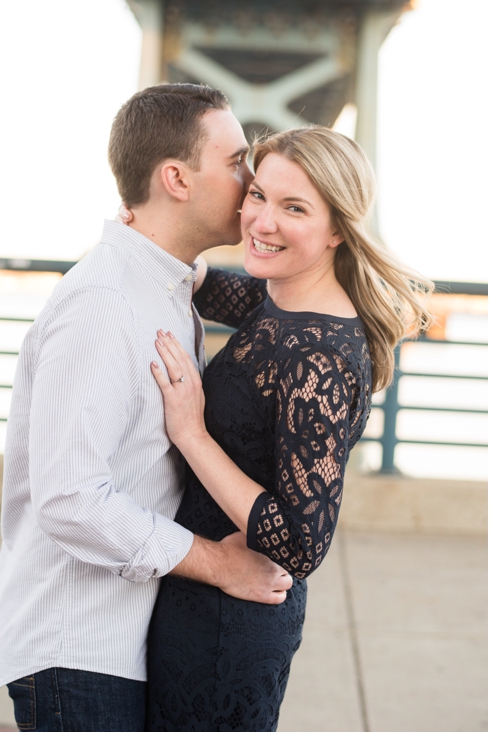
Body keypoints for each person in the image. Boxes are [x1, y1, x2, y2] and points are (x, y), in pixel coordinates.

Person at [0, 84, 292, 732]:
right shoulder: (106, 303)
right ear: (176, 179)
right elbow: (69, 497)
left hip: (113, 649)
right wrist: (219, 564)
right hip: (76, 653)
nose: (252, 183)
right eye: (237, 161)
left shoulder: (160, 286)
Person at [140, 125, 432, 731]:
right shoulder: (281, 302)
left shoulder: (319, 356)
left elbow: (302, 543)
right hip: (199, 595)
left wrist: (192, 434)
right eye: (258, 195)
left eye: (293, 208)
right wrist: (145, 231)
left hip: (227, 630)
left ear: (336, 232)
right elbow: (214, 288)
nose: (261, 221)